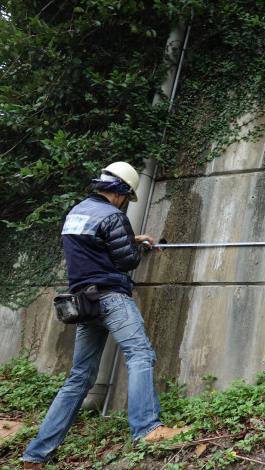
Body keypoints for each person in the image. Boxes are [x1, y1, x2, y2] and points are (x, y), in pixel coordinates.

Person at [21, 162, 187, 469]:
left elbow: (92, 247)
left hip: (83, 302)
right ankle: (148, 428)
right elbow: (126, 261)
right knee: (139, 354)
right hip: (110, 298)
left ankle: (36, 454)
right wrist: (141, 246)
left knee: (80, 377)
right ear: (122, 192)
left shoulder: (76, 213)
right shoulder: (114, 216)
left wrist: (130, 238)